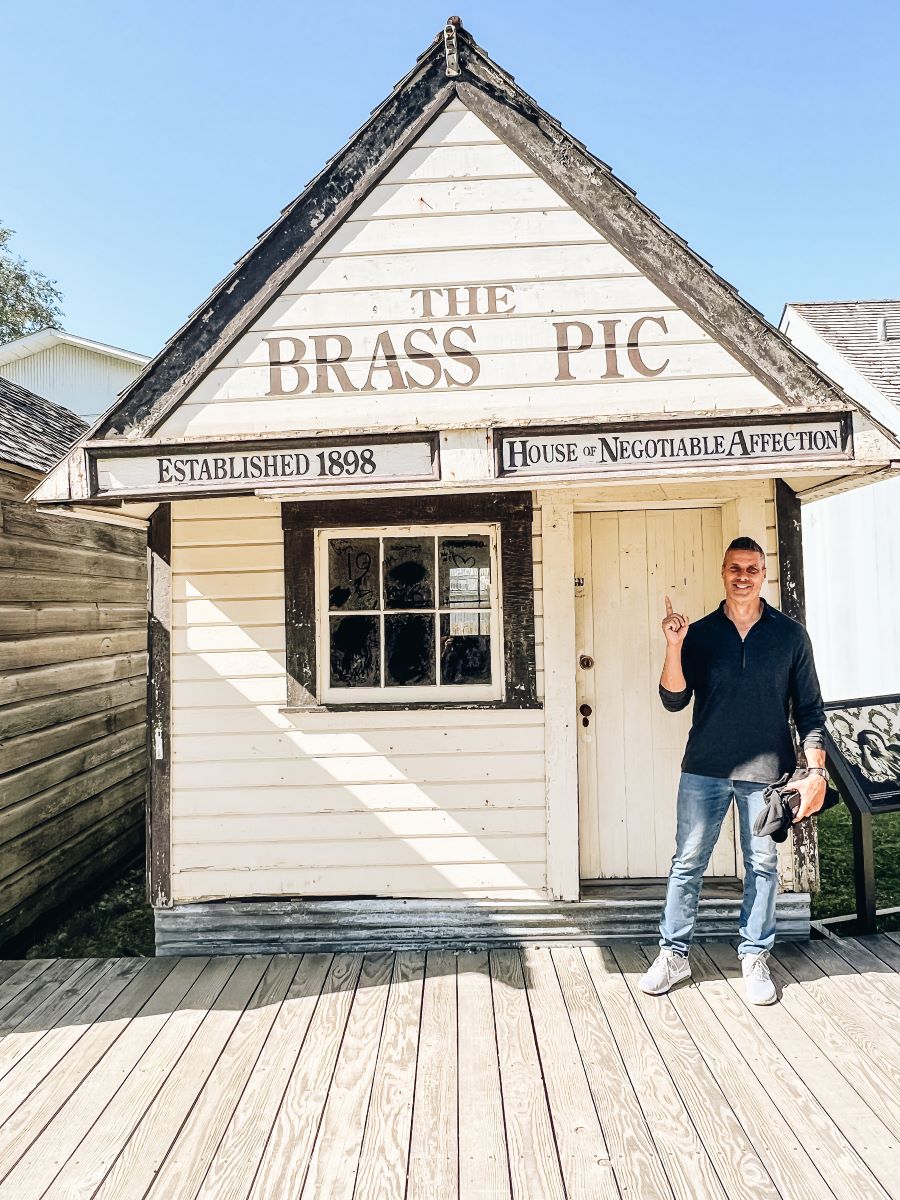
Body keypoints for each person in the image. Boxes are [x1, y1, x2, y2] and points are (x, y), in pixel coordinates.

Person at [639, 536, 828, 1004]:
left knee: (762, 866)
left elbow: (810, 711)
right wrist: (674, 645)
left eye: (752, 569)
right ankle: (673, 954)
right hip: (704, 767)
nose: (742, 576)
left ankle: (755, 956)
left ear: (763, 575)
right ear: (723, 573)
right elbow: (673, 698)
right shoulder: (700, 634)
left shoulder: (790, 636)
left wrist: (816, 771)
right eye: (734, 568)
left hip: (769, 774)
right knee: (687, 864)